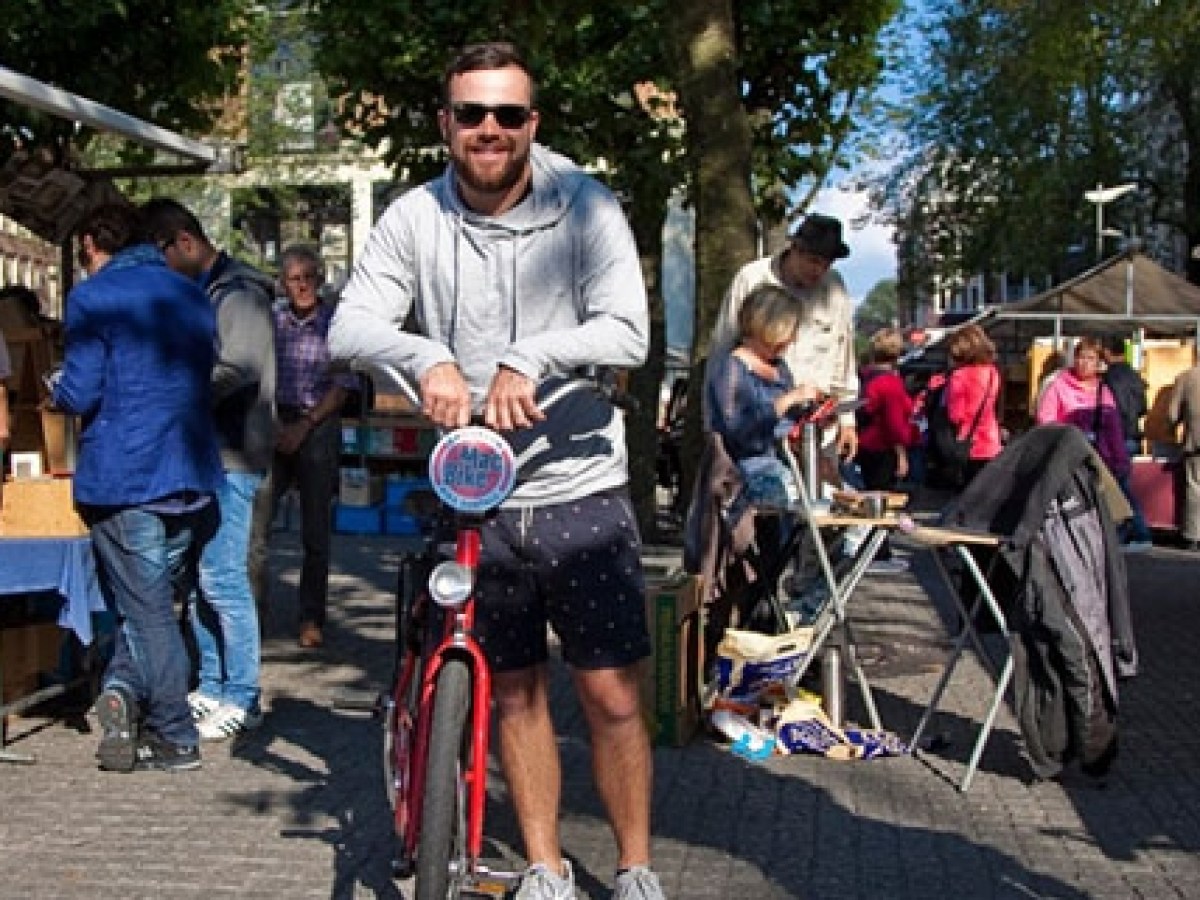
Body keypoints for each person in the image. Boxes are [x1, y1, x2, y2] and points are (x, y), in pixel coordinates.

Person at [328, 41, 664, 900]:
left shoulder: (587, 208)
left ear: (531, 124)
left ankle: (634, 867)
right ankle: (545, 865)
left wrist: (532, 357)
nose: (489, 129)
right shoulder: (413, 217)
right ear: (445, 122)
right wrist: (426, 355)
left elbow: (628, 330)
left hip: (578, 484)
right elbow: (350, 327)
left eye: (507, 115)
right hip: (475, 493)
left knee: (613, 697)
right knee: (511, 693)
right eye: (471, 113)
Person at [51, 201, 222, 772]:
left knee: (147, 614)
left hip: (127, 476)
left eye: (85, 254)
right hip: (189, 474)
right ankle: (121, 692)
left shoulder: (93, 299)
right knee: (146, 606)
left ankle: (176, 734)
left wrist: (56, 387)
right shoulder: (191, 293)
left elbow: (79, 393)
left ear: (99, 247)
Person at [141, 198, 277, 740]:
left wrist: (176, 394)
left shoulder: (237, 293)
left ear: (185, 242)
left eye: (165, 259)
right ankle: (213, 683)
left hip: (234, 452)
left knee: (223, 577)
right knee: (200, 578)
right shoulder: (213, 290)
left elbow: (239, 366)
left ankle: (241, 692)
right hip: (210, 452)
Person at [707, 212, 858, 464]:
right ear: (794, 248)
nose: (819, 270)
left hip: (817, 431)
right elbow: (722, 353)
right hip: (755, 436)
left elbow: (844, 356)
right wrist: (715, 433)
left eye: (826, 264)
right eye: (813, 260)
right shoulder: (752, 279)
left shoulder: (834, 288)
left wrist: (847, 420)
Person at [266, 244, 356, 649]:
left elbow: (342, 389)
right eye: (293, 279)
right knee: (256, 524)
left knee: (315, 532)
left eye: (308, 277)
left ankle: (310, 616)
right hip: (273, 422)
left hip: (316, 423)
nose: (301, 286)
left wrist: (305, 425)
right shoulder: (271, 321)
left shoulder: (336, 323)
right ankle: (251, 613)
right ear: (282, 284)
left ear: (319, 279)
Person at [705, 284, 815, 516]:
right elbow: (737, 430)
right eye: (789, 331)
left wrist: (815, 414)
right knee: (809, 507)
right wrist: (787, 400)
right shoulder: (731, 368)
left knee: (842, 503)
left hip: (789, 464)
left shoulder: (779, 368)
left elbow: (790, 420)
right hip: (747, 471)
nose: (792, 340)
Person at [853, 327, 918, 571]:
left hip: (864, 445)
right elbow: (894, 424)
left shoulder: (864, 377)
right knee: (882, 501)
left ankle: (872, 550)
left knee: (871, 498)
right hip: (882, 448)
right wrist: (902, 454)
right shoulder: (890, 384)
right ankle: (878, 553)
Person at [1036, 335, 1130, 490]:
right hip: (1068, 461)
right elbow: (1045, 421)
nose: (1085, 363)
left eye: (1091, 358)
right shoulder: (1058, 386)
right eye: (1081, 357)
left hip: (1098, 462)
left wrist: (1119, 461)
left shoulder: (1103, 391)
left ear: (1098, 363)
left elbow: (1113, 430)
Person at [1102, 337, 1154, 551]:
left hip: (1117, 438)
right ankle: (1129, 533)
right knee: (1123, 487)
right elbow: (1143, 407)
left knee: (1119, 489)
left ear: (1106, 351)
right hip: (1133, 435)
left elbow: (1114, 410)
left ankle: (1140, 533)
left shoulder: (1110, 378)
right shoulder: (1135, 376)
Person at [941, 324, 1003, 485]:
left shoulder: (959, 376)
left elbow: (955, 416)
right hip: (991, 442)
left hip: (969, 446)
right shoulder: (992, 372)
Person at [1169, 361, 1200, 551]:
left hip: (1196, 442)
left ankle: (1193, 535)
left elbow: (1172, 414)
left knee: (1195, 487)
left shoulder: (1186, 377)